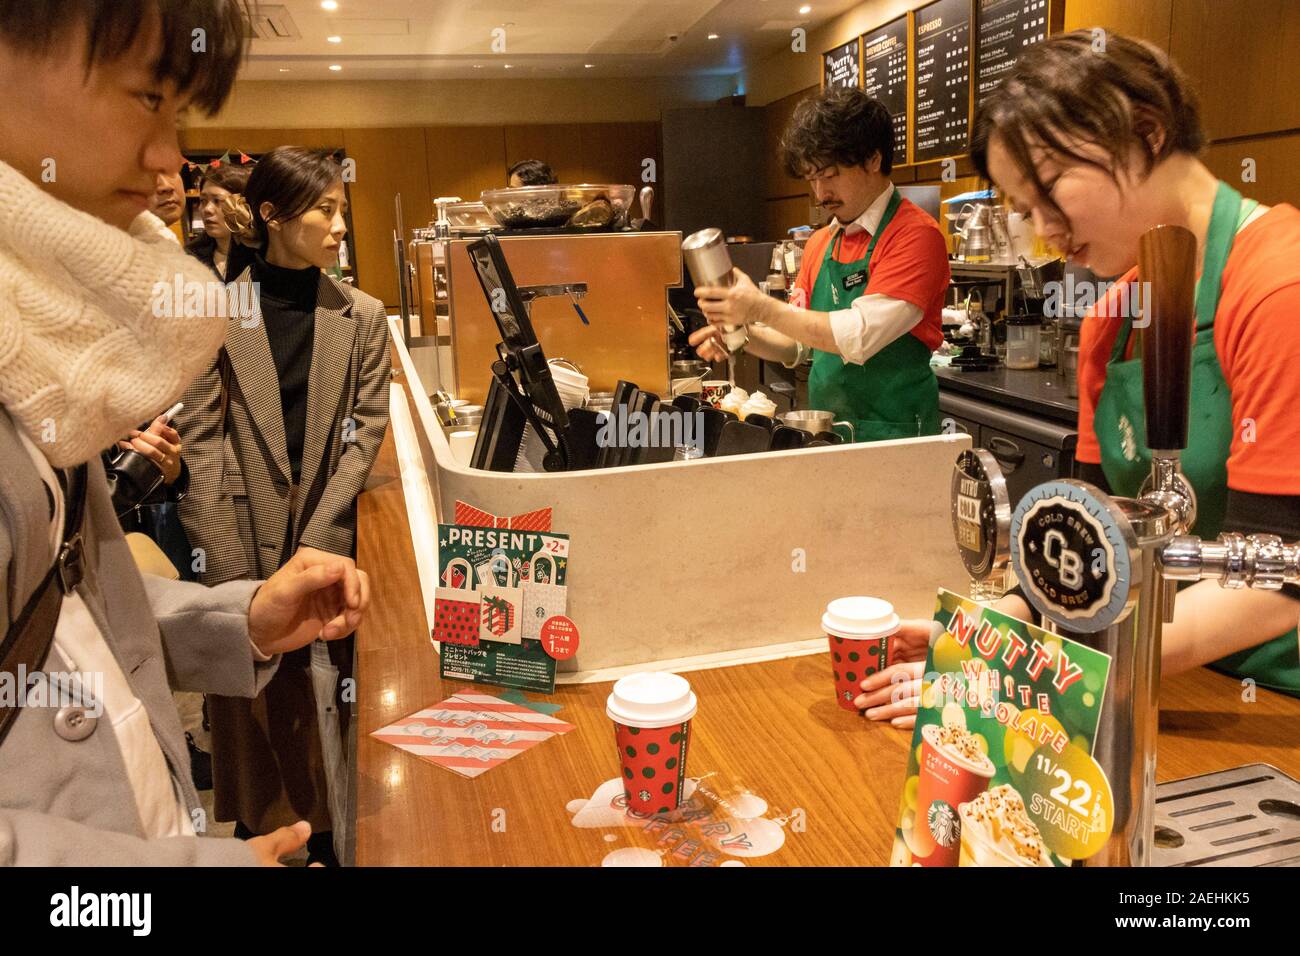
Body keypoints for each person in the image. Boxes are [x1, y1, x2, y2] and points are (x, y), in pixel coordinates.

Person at [0, 0, 370, 865]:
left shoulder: (42, 347)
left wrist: (232, 616)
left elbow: (71, 620)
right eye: (146, 96)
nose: (170, 157)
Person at [860, 30, 1300, 729]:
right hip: (1155, 682)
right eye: (1023, 210)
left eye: (1049, 192)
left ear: (1146, 133)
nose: (1044, 234)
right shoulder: (1113, 316)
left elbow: (1278, 583)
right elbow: (1091, 544)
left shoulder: (1279, 287)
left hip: (1274, 710)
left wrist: (1019, 674)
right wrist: (989, 633)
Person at [177, 145, 392, 865]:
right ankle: (256, 842)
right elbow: (201, 443)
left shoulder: (360, 315)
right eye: (325, 210)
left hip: (327, 522)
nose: (339, 227)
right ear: (272, 215)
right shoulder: (215, 309)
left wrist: (328, 530)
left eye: (342, 210)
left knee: (330, 709)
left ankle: (331, 838)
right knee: (254, 711)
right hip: (240, 532)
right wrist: (233, 578)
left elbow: (364, 432)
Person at [690, 88, 950, 442]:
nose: (819, 193)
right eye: (811, 178)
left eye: (829, 175)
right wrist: (743, 336)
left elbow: (858, 335)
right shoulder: (820, 242)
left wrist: (759, 306)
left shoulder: (916, 236)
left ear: (873, 159)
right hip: (827, 434)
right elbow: (797, 343)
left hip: (897, 436)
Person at [186, 162, 251, 279]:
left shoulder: (262, 257)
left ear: (243, 205)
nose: (207, 209)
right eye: (203, 201)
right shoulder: (190, 257)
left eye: (217, 201)